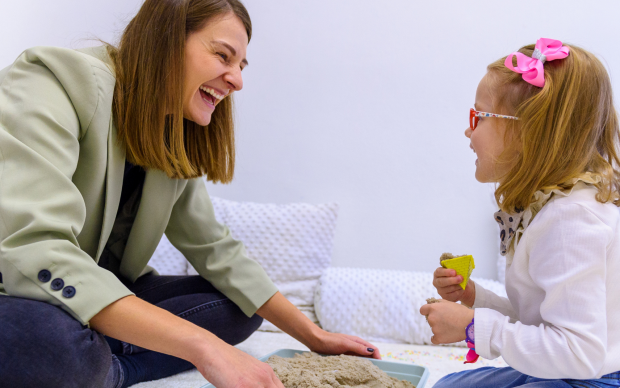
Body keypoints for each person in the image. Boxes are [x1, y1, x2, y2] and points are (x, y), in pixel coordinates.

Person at [0, 1, 380, 387]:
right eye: (222, 56)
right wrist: (204, 346)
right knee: (49, 338)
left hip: (94, 289)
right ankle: (102, 361)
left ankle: (102, 360)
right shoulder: (51, 82)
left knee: (241, 304)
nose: (237, 81)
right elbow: (35, 248)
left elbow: (215, 248)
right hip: (17, 289)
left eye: (241, 66)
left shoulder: (169, 131)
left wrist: (313, 336)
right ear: (164, 39)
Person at [420, 38, 620, 387]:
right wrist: (475, 300)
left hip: (593, 378)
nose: (468, 130)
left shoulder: (571, 220)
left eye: (478, 116)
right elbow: (541, 323)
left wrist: (473, 327)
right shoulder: (550, 208)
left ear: (526, 130)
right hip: (572, 371)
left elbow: (579, 352)